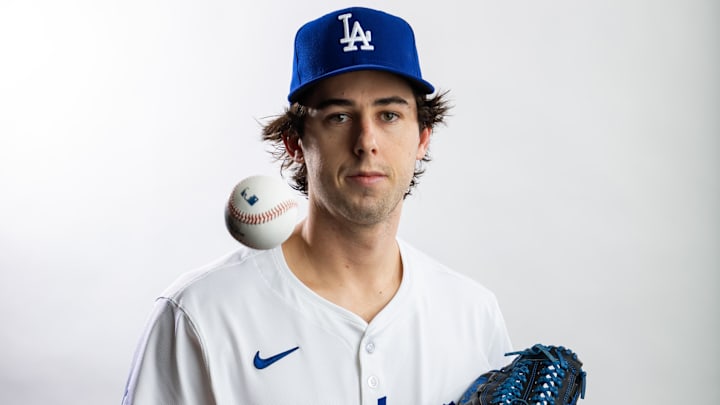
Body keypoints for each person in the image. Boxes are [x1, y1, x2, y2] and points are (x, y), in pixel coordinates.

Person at [121, 6, 512, 405]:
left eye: (389, 114)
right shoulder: (200, 315)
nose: (367, 141)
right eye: (339, 116)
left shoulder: (472, 314)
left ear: (423, 138)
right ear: (295, 142)